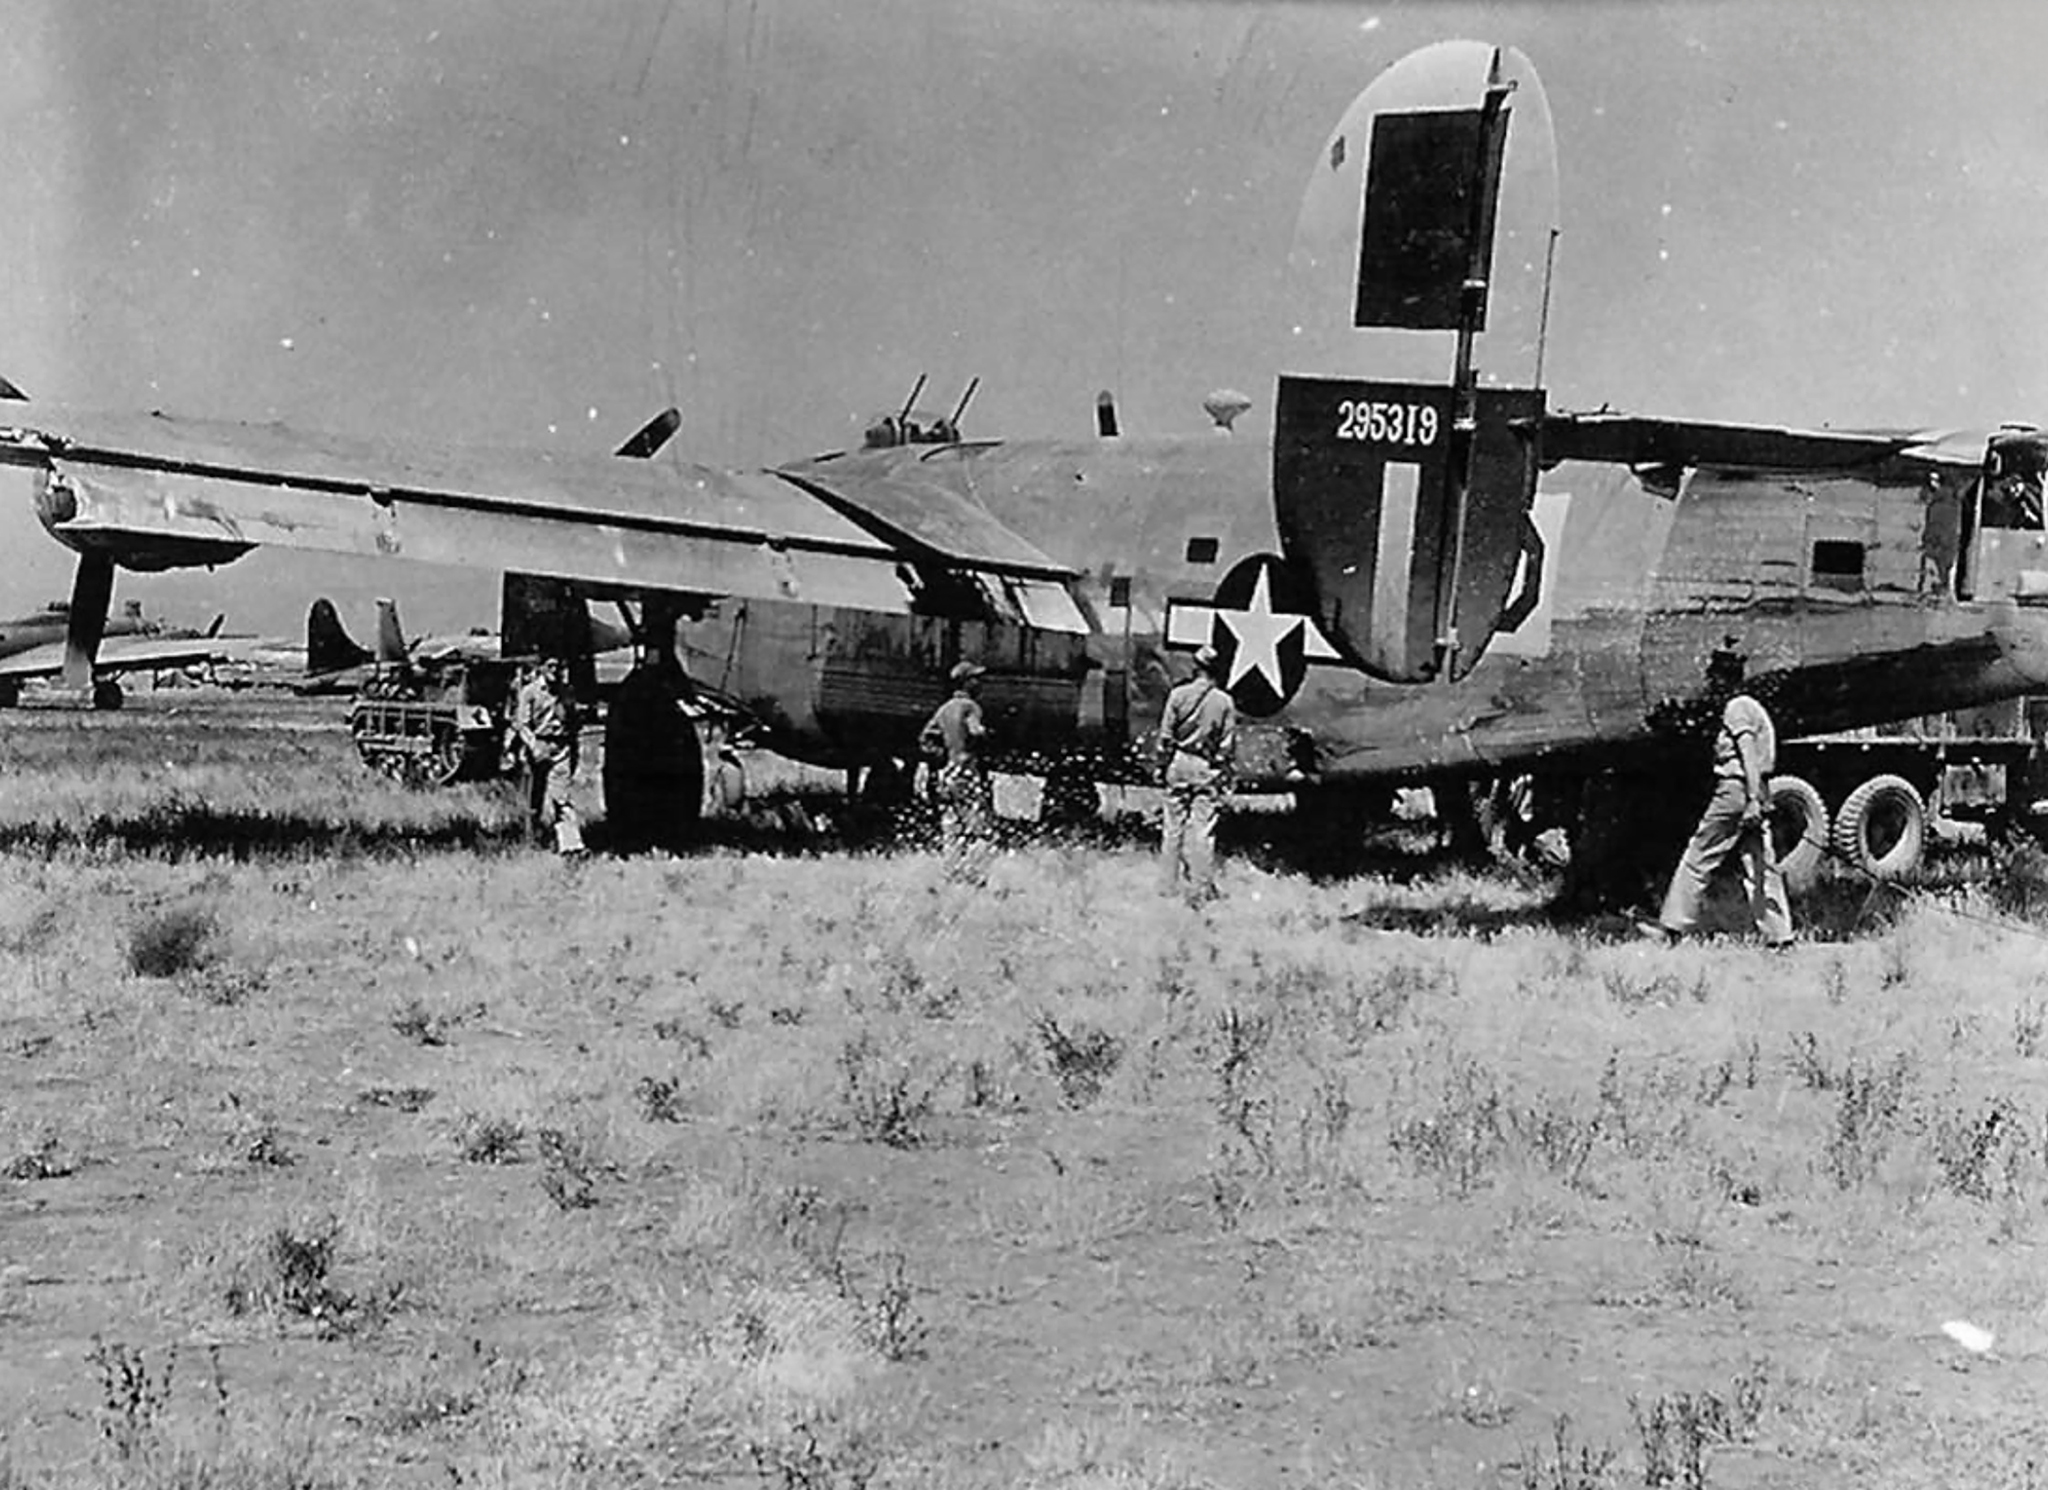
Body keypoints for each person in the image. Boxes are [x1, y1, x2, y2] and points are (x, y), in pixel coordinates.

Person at [1645, 645, 1792, 946]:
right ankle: (1780, 936)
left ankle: (1672, 927)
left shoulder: (1737, 708)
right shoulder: (1754, 707)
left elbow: (1748, 755)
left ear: (1725, 680)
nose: (1712, 685)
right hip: (1755, 788)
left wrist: (1751, 799)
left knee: (1699, 855)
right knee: (1760, 865)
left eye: (1715, 679)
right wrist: (1759, 797)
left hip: (1736, 790)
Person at [1157, 644, 1237, 905]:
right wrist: (1222, 771)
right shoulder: (1224, 702)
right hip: (1206, 766)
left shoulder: (1177, 695)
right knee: (1203, 831)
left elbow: (1165, 737)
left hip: (1178, 764)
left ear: (1195, 666)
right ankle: (1200, 889)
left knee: (1172, 829)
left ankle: (1167, 886)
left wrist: (1162, 765)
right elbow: (1226, 745)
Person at [918, 660, 994, 878]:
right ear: (966, 682)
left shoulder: (944, 709)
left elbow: (925, 738)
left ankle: (950, 872)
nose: (980, 683)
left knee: (951, 827)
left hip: (948, 773)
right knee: (981, 830)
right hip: (967, 771)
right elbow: (976, 731)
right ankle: (973, 875)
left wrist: (941, 758)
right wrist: (987, 735)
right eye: (976, 679)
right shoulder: (971, 707)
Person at [510, 657, 585, 857]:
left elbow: (573, 722)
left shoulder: (567, 691)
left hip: (561, 747)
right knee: (534, 799)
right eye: (550, 666)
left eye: (558, 666)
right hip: (538, 746)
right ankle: (532, 840)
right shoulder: (529, 692)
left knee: (562, 798)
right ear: (542, 668)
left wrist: (573, 747)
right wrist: (534, 747)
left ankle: (571, 847)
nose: (555, 670)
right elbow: (522, 724)